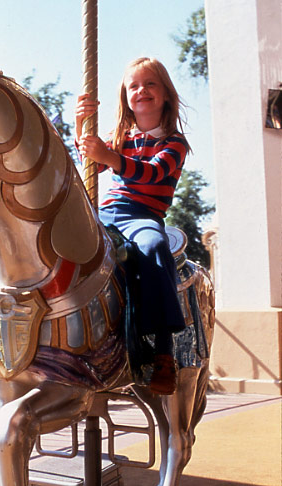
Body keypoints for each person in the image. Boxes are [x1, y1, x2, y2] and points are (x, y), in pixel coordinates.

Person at [75, 57, 189, 395]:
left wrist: (109, 158)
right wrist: (81, 124)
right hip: (106, 212)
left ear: (166, 94)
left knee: (154, 249)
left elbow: (151, 173)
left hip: (141, 215)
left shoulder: (174, 143)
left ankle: (164, 353)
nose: (142, 91)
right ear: (125, 97)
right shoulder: (119, 137)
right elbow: (88, 169)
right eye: (133, 86)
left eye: (150, 84)